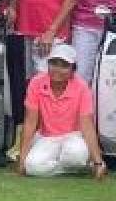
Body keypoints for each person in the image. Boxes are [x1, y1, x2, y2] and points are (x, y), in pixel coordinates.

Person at [19, 43, 108, 179]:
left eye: (64, 65)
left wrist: (98, 162)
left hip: (74, 137)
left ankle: (80, 163)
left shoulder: (82, 87)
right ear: (48, 65)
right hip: (46, 137)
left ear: (73, 70)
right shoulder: (36, 83)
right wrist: (22, 159)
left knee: (76, 156)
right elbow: (30, 123)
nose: (58, 69)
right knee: (31, 167)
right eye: (54, 63)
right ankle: (78, 168)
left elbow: (87, 126)